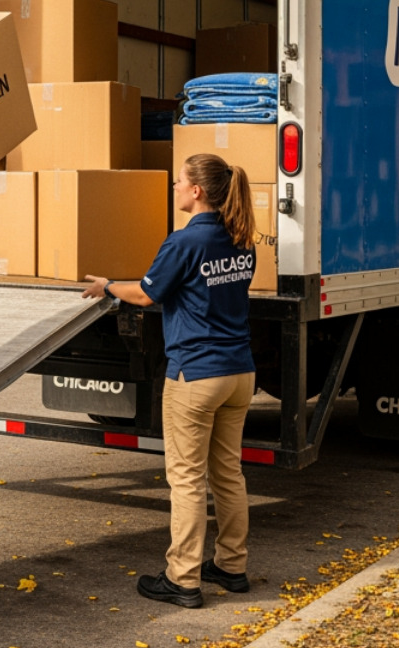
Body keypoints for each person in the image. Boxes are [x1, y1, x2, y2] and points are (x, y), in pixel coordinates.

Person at [82, 153, 258, 608]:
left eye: (179, 181)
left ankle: (182, 579)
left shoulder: (184, 242)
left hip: (196, 375)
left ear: (197, 191)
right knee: (228, 475)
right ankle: (232, 567)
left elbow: (145, 292)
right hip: (239, 372)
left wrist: (107, 286)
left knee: (186, 480)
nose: (173, 187)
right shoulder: (243, 239)